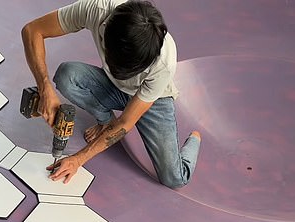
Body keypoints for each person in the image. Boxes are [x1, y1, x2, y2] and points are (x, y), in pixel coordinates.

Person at [21, 0, 201, 188]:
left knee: (175, 179)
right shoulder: (96, 8)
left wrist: (78, 159)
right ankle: (106, 121)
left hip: (153, 99)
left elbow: (126, 122)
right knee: (68, 75)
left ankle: (195, 138)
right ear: (107, 32)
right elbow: (33, 30)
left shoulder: (164, 61)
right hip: (113, 85)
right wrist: (44, 87)